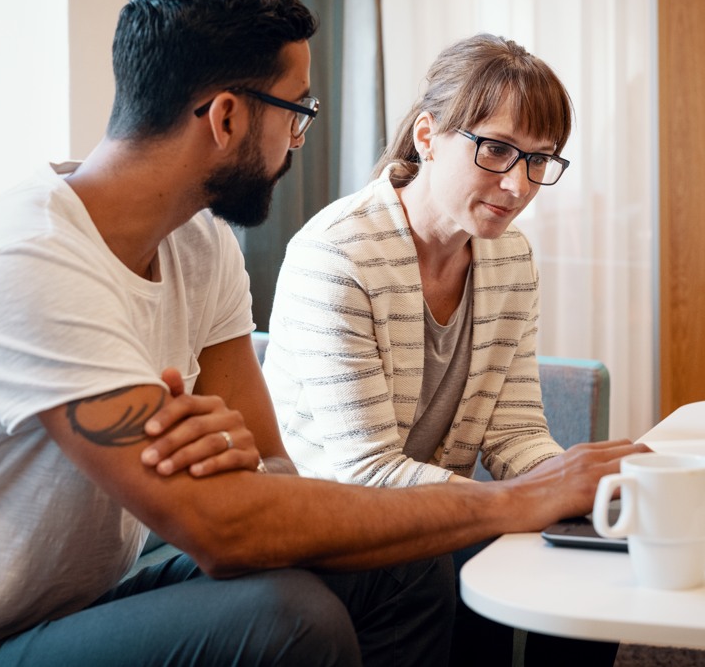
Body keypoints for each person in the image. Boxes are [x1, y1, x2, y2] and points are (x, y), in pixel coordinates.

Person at [0, 0, 646, 667]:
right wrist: (512, 500)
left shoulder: (201, 244)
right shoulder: (28, 261)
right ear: (228, 117)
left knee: (400, 566)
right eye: (297, 111)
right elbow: (224, 527)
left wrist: (235, 463)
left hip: (80, 599)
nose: (298, 139)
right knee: (289, 618)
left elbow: (268, 469)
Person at [263, 33, 618, 663]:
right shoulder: (337, 256)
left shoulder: (510, 256)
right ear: (427, 137)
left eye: (540, 160)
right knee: (477, 556)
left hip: (431, 512)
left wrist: (580, 494)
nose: (518, 186)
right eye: (497, 150)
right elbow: (363, 474)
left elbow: (513, 434)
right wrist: (523, 500)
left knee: (586, 557)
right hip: (331, 526)